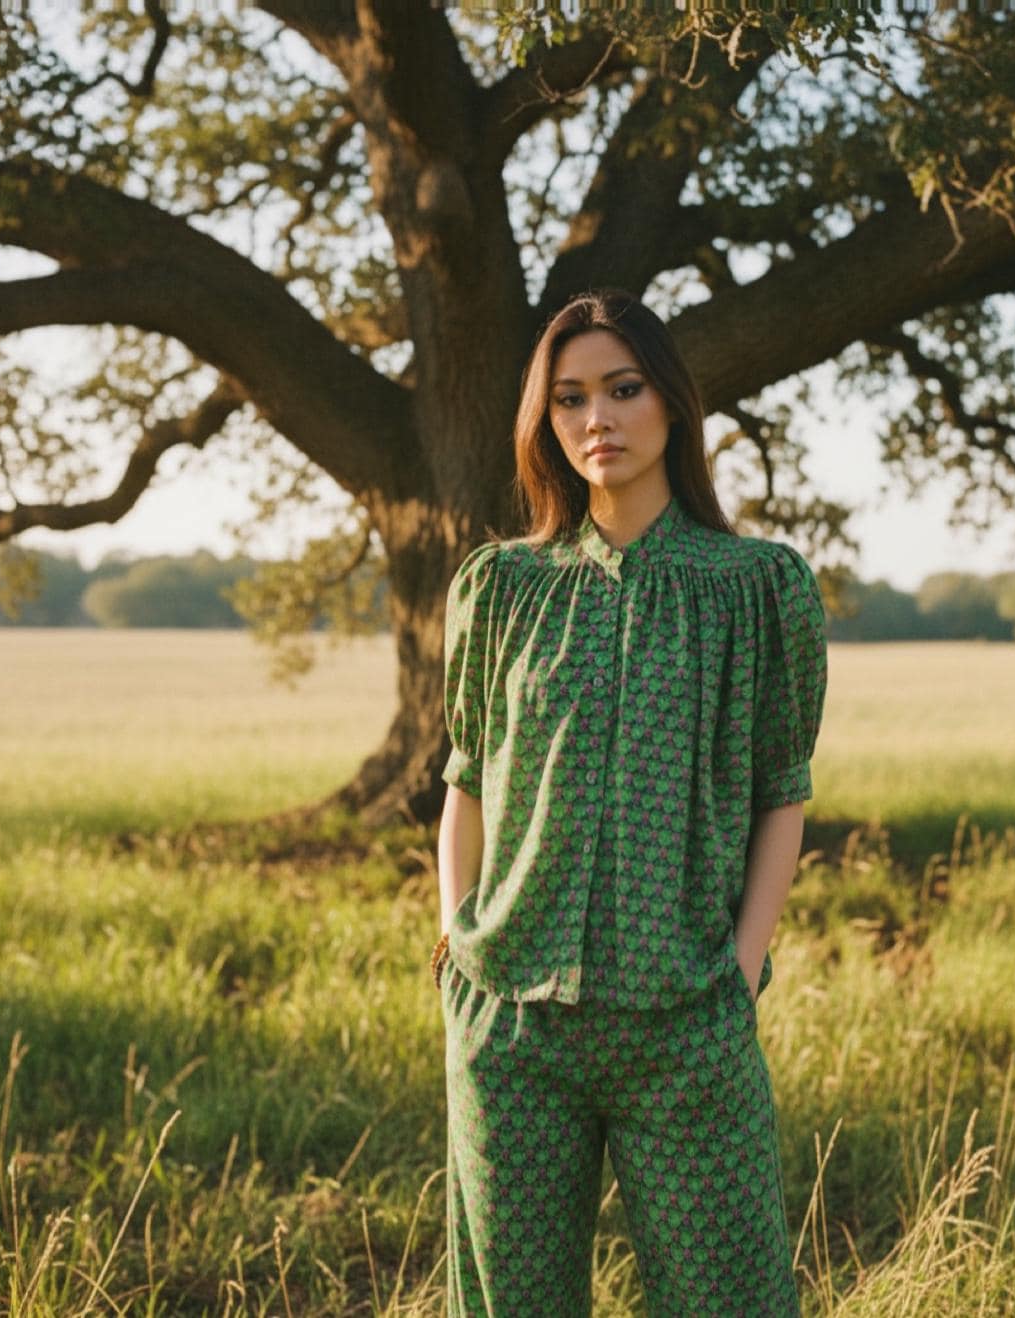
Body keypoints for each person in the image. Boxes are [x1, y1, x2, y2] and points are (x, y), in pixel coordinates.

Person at [432, 287, 827, 1317]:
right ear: (542, 422)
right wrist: (456, 935)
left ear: (672, 403)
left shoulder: (757, 586)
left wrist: (739, 971)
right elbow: (466, 776)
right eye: (566, 399)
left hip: (685, 1016)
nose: (594, 419)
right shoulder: (498, 586)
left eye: (621, 388)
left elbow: (781, 792)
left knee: (728, 1299)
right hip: (510, 1018)